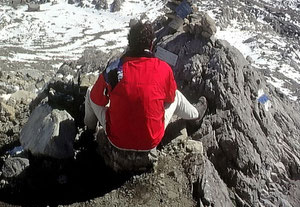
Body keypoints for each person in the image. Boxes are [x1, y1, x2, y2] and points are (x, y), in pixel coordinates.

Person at [84, 21, 207, 171]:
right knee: (176, 96)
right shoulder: (163, 68)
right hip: (150, 142)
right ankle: (195, 115)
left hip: (117, 140)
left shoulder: (114, 68)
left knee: (90, 92)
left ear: (130, 43)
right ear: (151, 44)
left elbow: (97, 99)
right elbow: (169, 98)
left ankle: (89, 131)